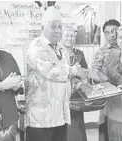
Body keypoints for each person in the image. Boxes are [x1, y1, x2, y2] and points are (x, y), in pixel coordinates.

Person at [25, 7, 88, 141]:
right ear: (43, 27)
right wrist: (75, 70)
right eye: (53, 26)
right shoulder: (36, 46)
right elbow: (49, 71)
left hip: (60, 115)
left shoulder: (61, 49)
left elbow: (66, 76)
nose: (58, 30)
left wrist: (79, 82)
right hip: (40, 117)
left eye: (60, 26)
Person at [91, 19, 121, 141]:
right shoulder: (102, 51)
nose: (111, 35)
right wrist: (104, 80)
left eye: (114, 31)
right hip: (108, 95)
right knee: (106, 129)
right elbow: (93, 72)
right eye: (107, 32)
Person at [61, 24, 88, 141]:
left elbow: (85, 72)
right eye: (66, 35)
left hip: (76, 96)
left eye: (72, 36)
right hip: (60, 96)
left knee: (76, 127)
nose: (69, 38)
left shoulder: (79, 54)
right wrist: (72, 71)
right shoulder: (56, 54)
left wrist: (80, 74)